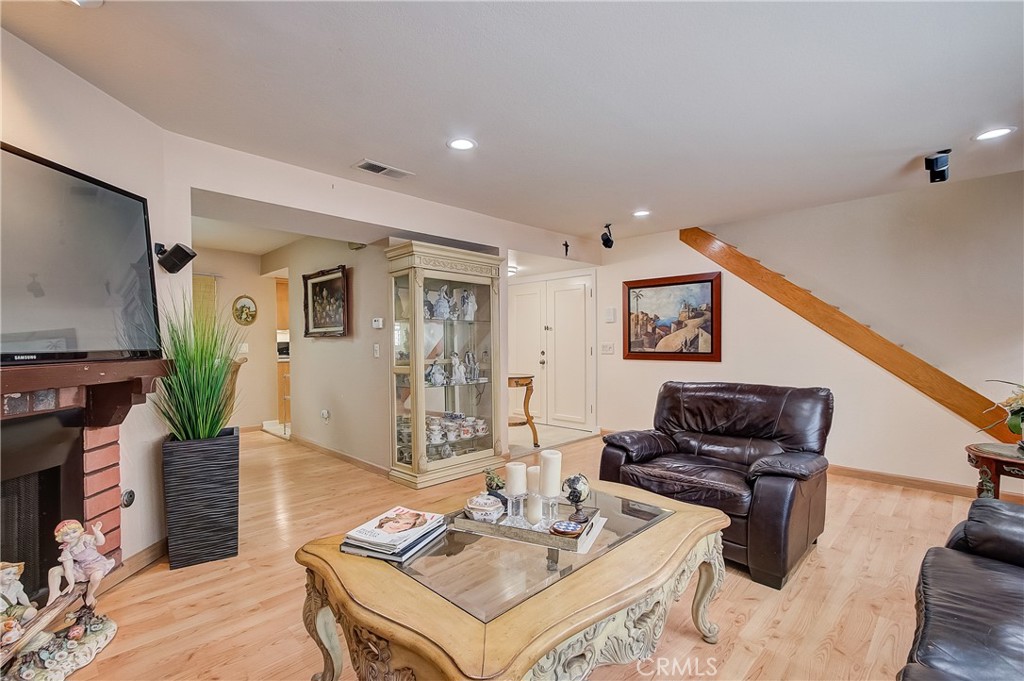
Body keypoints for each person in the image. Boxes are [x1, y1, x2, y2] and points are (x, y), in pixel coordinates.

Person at [46, 519, 115, 608]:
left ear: (79, 531)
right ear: (61, 538)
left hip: (96, 563)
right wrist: (71, 583)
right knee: (53, 571)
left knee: (96, 577)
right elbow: (68, 569)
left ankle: (89, 595)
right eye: (66, 535)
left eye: (74, 532)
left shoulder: (85, 539)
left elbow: (100, 542)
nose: (71, 536)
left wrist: (97, 532)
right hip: (81, 566)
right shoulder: (67, 550)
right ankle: (54, 594)